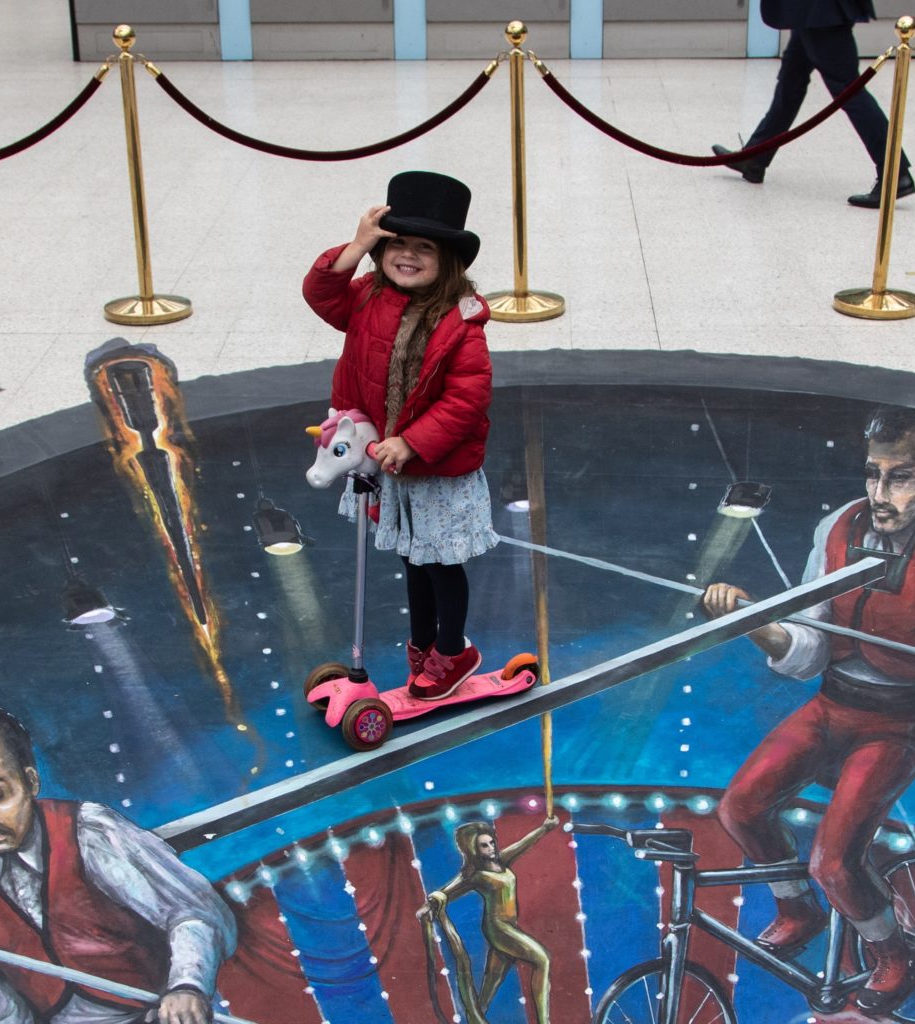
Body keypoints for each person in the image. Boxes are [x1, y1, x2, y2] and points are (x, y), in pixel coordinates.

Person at [702, 405, 915, 1015]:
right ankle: (798, 909)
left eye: (901, 477)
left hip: (897, 724)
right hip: (832, 704)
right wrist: (755, 624)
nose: (880, 493)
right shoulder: (839, 528)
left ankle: (894, 953)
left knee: (835, 862)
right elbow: (807, 648)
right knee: (740, 807)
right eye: (873, 473)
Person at [0, 700, 237, 1024]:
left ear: (30, 781)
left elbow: (197, 913)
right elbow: (6, 1018)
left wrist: (186, 985)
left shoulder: (91, 831)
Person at [302, 170, 499, 702]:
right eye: (397, 244)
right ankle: (423, 643)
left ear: (448, 260)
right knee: (411, 557)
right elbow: (320, 294)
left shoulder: (461, 323)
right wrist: (355, 245)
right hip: (385, 462)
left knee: (440, 563)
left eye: (424, 248)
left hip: (434, 468)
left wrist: (411, 442)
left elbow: (466, 400)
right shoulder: (367, 296)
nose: (407, 255)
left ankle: (453, 650)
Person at [711, 0, 914, 208]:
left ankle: (895, 173)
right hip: (810, 10)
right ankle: (755, 156)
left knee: (849, 90)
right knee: (792, 81)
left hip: (819, 10)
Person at [420, 816, 559, 1024]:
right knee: (542, 959)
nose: (491, 848)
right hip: (498, 929)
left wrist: (544, 828)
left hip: (508, 927)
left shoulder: (500, 861)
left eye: (491, 842)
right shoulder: (475, 875)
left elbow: (523, 845)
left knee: (489, 986)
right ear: (473, 850)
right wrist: (430, 905)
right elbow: (447, 891)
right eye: (484, 846)